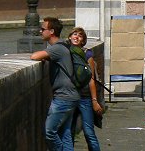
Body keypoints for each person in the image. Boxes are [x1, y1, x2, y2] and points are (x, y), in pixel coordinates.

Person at [31, 17, 80, 150]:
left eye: (43, 29)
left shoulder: (57, 48)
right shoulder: (64, 45)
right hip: (72, 95)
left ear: (51, 31)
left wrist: (44, 56)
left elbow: (34, 56)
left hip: (63, 97)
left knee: (50, 132)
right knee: (65, 134)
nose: (41, 31)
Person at [69, 27, 102, 151]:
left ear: (83, 40)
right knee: (69, 131)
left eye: (80, 36)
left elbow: (91, 78)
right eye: (74, 34)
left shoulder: (87, 54)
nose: (77, 37)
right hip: (70, 96)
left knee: (88, 132)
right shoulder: (66, 52)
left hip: (85, 97)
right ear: (69, 37)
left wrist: (94, 100)